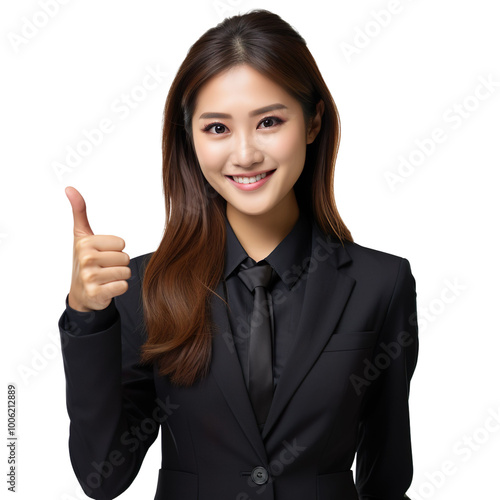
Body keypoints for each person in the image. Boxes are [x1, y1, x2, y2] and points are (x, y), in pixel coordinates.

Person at [59, 9, 418, 500]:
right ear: (190, 138)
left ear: (312, 122)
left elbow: (387, 477)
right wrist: (87, 318)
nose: (245, 154)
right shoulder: (141, 287)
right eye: (217, 128)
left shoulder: (383, 283)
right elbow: (102, 478)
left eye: (269, 121)